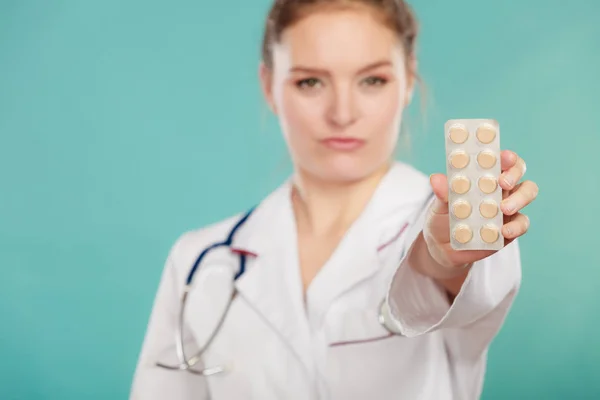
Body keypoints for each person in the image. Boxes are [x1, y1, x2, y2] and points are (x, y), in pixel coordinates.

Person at [130, 0, 538, 399]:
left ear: (409, 81)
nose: (342, 113)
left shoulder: (449, 224)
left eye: (372, 80)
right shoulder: (199, 261)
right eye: (310, 82)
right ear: (269, 87)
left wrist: (440, 256)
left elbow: (452, 278)